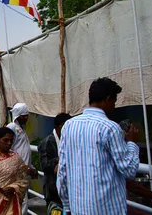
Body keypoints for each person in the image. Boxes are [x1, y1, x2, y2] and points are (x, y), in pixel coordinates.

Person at [57, 77, 141, 215]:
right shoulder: (110, 128)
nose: (114, 106)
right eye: (114, 101)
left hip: (78, 208)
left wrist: (67, 205)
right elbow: (129, 170)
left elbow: (62, 170)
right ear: (108, 99)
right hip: (107, 209)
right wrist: (132, 142)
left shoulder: (69, 126)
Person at [0, 127, 38, 215]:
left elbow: (23, 176)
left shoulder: (15, 157)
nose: (9, 143)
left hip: (11, 199)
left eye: (11, 140)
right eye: (6, 140)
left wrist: (14, 188)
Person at [38, 113, 71, 214]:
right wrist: (59, 160)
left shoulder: (68, 140)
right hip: (53, 191)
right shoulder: (47, 142)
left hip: (67, 189)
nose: (67, 129)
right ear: (56, 127)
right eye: (64, 126)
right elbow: (44, 165)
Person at [6, 102, 33, 214]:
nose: (26, 118)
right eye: (23, 115)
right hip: (16, 170)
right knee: (20, 200)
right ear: (17, 115)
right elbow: (7, 148)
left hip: (24, 171)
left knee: (22, 199)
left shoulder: (21, 129)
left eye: (27, 115)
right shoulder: (12, 127)